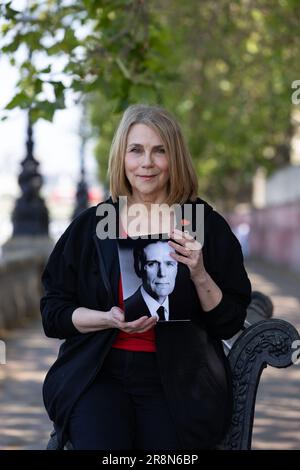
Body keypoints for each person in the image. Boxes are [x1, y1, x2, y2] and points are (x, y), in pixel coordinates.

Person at [41, 104, 252, 450]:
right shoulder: (95, 224)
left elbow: (229, 322)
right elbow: (53, 313)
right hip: (99, 375)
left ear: (176, 157)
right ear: (121, 157)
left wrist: (198, 273)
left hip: (179, 382)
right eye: (136, 150)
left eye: (159, 151)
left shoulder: (201, 222)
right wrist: (107, 319)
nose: (147, 163)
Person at [124, 239, 178, 322]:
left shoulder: (185, 308)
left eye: (169, 264)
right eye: (152, 264)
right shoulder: (126, 311)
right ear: (138, 267)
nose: (162, 273)